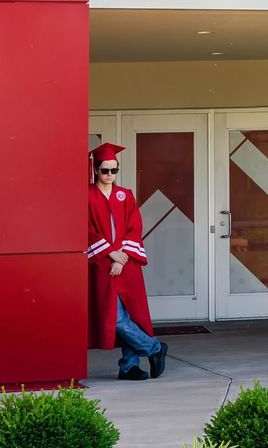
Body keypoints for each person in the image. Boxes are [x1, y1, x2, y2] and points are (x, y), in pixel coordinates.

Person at [87, 143, 168, 380]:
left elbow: (135, 228)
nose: (110, 175)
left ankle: (129, 366)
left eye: (114, 170)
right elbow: (86, 230)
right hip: (102, 263)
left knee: (133, 314)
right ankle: (154, 347)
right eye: (105, 170)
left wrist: (122, 259)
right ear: (95, 170)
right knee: (115, 316)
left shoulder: (126, 195)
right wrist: (111, 254)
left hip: (127, 263)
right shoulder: (87, 196)